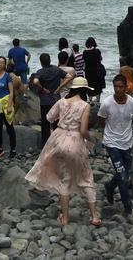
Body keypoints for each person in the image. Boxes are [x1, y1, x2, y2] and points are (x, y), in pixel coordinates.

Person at [26, 77, 101, 227]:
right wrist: (92, 140)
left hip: (58, 140)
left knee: (64, 180)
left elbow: (49, 118)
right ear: (85, 91)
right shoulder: (84, 105)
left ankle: (65, 219)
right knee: (86, 178)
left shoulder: (62, 101)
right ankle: (94, 217)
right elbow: (84, 131)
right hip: (75, 141)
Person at [98, 74, 133, 215]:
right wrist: (111, 132)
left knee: (125, 173)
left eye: (121, 87)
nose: (118, 89)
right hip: (111, 142)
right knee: (122, 176)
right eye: (116, 87)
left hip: (127, 142)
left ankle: (110, 186)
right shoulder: (107, 103)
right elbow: (101, 120)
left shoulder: (132, 102)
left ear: (126, 87)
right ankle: (128, 207)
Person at [32, 53, 73, 147]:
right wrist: (60, 87)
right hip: (56, 100)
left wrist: (42, 89)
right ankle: (57, 143)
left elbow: (35, 81)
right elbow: (69, 77)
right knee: (56, 123)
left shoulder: (40, 72)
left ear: (41, 62)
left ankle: (46, 145)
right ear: (50, 60)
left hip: (45, 102)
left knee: (45, 124)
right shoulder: (56, 69)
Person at [83, 37, 106, 102]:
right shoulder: (97, 51)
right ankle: (98, 101)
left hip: (88, 72)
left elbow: (85, 61)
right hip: (97, 71)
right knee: (98, 86)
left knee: (90, 85)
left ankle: (90, 100)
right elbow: (100, 59)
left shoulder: (85, 52)